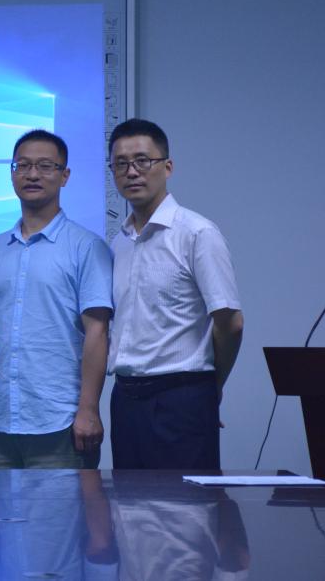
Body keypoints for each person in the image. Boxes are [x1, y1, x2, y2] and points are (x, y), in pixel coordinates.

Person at [107, 118, 244, 469]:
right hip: (126, 399)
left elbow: (230, 323)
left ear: (167, 167)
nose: (132, 172)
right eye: (121, 163)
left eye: (142, 161)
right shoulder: (118, 243)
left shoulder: (197, 233)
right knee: (128, 500)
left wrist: (212, 387)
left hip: (182, 396)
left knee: (187, 502)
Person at [0, 129, 113, 469]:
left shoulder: (86, 247)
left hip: (61, 422)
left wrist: (89, 409)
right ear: (12, 174)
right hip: (1, 421)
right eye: (23, 165)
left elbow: (97, 332)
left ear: (65, 175)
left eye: (45, 166)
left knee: (63, 507)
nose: (32, 174)